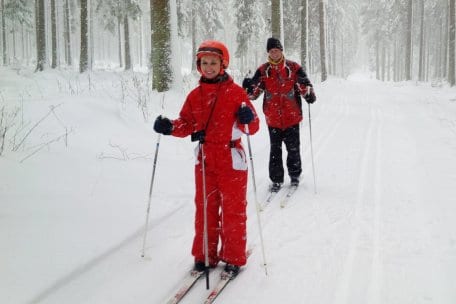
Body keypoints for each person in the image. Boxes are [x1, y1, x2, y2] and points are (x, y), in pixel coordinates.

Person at [153, 40, 259, 278]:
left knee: (233, 211)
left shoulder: (236, 93)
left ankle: (233, 257)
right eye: (204, 63)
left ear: (223, 64)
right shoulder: (195, 95)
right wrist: (169, 126)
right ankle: (205, 255)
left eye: (213, 62)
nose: (209, 67)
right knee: (205, 208)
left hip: (231, 159)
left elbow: (253, 127)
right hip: (205, 160)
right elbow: (185, 123)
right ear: (199, 65)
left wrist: (247, 116)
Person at [242, 37, 316, 193]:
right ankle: (276, 180)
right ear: (268, 53)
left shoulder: (293, 68)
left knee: (293, 148)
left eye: (276, 50)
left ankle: (295, 176)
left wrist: (309, 93)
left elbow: (305, 85)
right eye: (271, 51)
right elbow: (254, 93)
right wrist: (248, 88)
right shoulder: (263, 71)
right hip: (273, 119)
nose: (274, 53)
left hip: (292, 117)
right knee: (275, 150)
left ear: (281, 51)